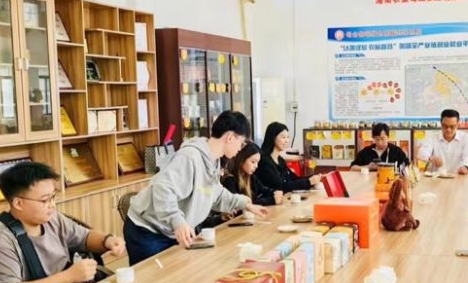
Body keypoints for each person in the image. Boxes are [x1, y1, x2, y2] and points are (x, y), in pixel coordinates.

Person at [0, 163, 126, 283]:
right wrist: (69, 276)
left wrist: (107, 240)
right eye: (44, 200)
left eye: (53, 197)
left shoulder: (51, 218)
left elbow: (84, 238)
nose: (52, 205)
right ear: (18, 203)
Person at [125, 111, 268, 265]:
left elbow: (214, 193)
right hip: (147, 229)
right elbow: (163, 189)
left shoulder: (213, 161)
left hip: (167, 230)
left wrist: (244, 203)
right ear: (230, 137)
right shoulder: (190, 157)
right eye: (242, 143)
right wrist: (178, 221)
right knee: (154, 278)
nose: (241, 148)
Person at [256, 122, 322, 192]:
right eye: (283, 137)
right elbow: (280, 186)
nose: (287, 141)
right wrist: (308, 182)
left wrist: (312, 178)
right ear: (273, 137)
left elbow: (293, 178)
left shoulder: (280, 159)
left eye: (288, 137)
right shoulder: (264, 161)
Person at [222, 141, 283, 206]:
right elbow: (243, 205)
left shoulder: (251, 177)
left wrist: (275, 193)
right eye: (253, 162)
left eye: (257, 162)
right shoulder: (229, 180)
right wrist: (271, 200)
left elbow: (264, 190)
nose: (256, 166)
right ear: (242, 159)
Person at [418, 109, 468, 174]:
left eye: (452, 127)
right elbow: (422, 152)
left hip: (458, 176)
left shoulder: (467, 138)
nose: (448, 130)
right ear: (441, 124)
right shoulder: (433, 137)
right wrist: (431, 158)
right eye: (445, 126)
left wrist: (465, 167)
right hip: (437, 177)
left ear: (458, 124)